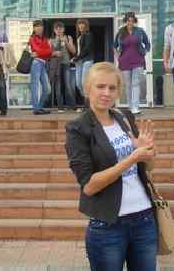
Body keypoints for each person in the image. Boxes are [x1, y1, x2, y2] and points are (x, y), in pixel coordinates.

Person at [65, 62, 158, 271]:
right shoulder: (78, 128)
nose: (106, 93)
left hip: (144, 218)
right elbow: (89, 186)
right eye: (100, 86)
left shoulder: (124, 118)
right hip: (108, 226)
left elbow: (149, 167)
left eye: (112, 88)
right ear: (88, 89)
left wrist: (147, 151)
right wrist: (131, 159)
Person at [114, 11, 151, 116]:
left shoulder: (140, 31)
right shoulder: (121, 32)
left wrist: (144, 52)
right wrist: (118, 57)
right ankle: (130, 106)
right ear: (125, 21)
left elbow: (147, 43)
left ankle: (135, 107)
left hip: (138, 60)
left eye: (132, 20)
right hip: (125, 61)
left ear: (134, 21)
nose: (130, 22)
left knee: (136, 83)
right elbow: (114, 45)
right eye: (128, 20)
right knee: (128, 84)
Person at [48, 21, 77, 112]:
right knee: (58, 86)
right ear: (54, 30)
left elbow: (73, 51)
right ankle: (60, 107)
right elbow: (48, 53)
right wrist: (54, 52)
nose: (59, 30)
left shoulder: (68, 38)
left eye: (60, 28)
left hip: (66, 63)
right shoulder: (50, 40)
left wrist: (66, 42)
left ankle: (73, 106)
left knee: (68, 85)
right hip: (56, 65)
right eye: (57, 29)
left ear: (63, 29)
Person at [28, 20, 54, 115]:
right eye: (37, 26)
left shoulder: (45, 39)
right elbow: (39, 49)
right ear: (34, 28)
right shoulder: (32, 38)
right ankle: (36, 109)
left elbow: (49, 51)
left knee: (47, 89)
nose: (40, 28)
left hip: (43, 63)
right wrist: (45, 51)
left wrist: (41, 52)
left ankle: (39, 107)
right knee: (35, 86)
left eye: (41, 26)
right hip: (36, 63)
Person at [73, 18, 95, 106]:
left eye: (83, 24)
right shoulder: (79, 36)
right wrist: (75, 58)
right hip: (79, 61)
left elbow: (87, 49)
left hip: (87, 60)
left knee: (84, 83)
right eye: (79, 24)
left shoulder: (89, 35)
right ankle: (87, 99)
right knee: (78, 84)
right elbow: (78, 51)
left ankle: (87, 104)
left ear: (86, 26)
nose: (81, 26)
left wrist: (77, 58)